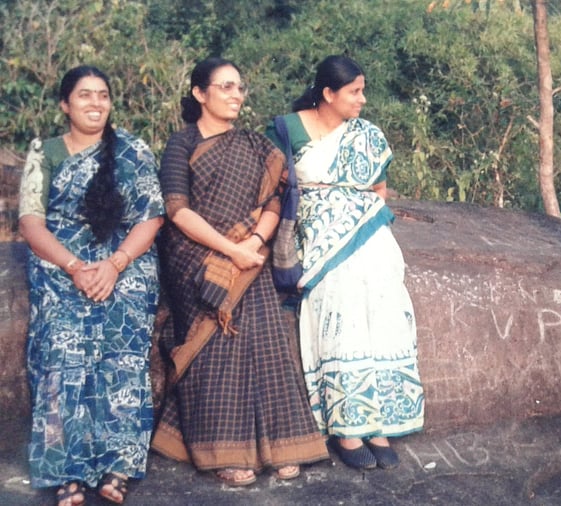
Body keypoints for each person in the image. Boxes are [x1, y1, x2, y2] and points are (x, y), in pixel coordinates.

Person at [150, 57, 329, 486]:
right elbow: (177, 210)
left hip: (249, 255)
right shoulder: (182, 143)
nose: (235, 96)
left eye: (239, 88)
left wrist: (252, 245)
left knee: (264, 338)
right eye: (225, 87)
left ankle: (282, 444)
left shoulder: (255, 146)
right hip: (195, 259)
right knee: (215, 347)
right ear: (199, 94)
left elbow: (276, 198)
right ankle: (221, 450)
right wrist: (231, 248)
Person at [266, 55, 425, 470]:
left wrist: (354, 221)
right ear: (328, 93)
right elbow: (273, 188)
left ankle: (378, 421)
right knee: (342, 295)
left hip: (366, 229)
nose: (362, 100)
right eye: (354, 92)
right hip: (314, 229)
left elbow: (379, 189)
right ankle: (346, 425)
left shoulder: (366, 135)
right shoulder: (287, 129)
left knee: (385, 297)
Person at [18, 65, 164, 506]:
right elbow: (30, 222)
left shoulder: (133, 151)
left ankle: (119, 464)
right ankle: (68, 469)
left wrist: (115, 264)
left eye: (103, 95)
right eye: (84, 96)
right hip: (61, 265)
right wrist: (76, 266)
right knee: (61, 351)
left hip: (125, 261)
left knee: (122, 353)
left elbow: (151, 217)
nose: (95, 104)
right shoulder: (45, 152)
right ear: (65, 104)